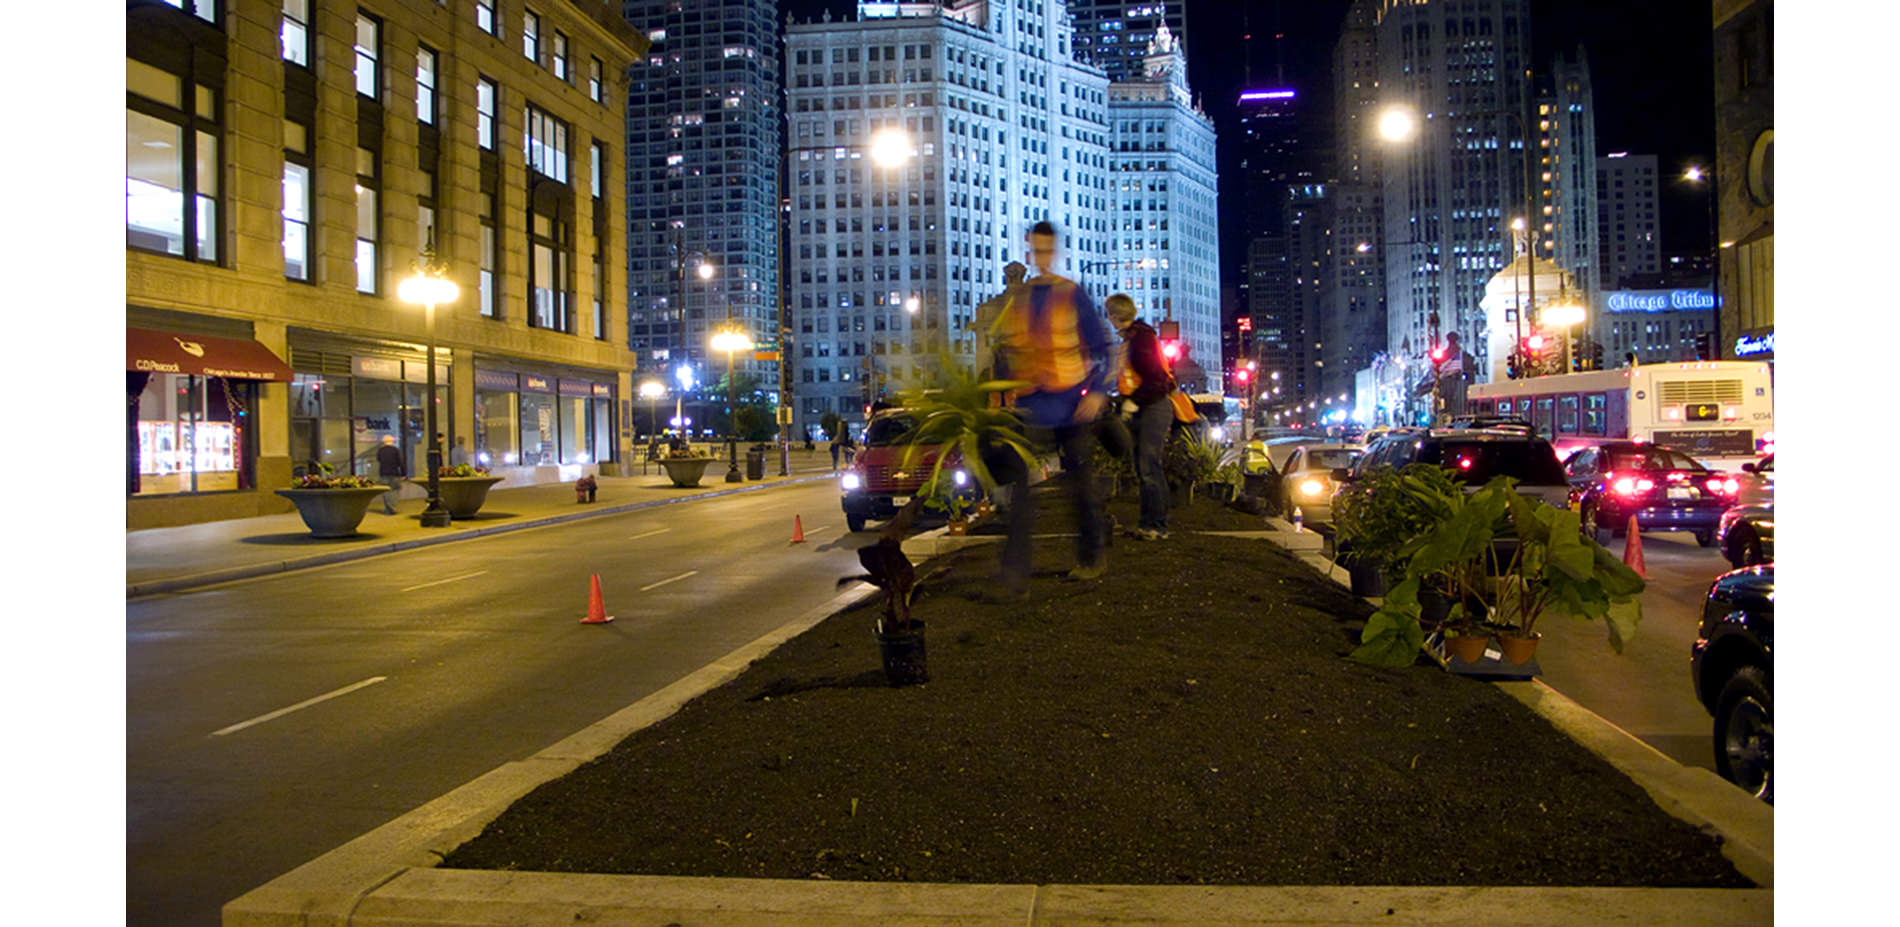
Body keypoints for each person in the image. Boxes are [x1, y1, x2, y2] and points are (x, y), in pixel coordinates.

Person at [991, 220, 1116, 589]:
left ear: (1054, 252)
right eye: (1036, 250)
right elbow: (1006, 353)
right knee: (1018, 490)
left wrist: (1096, 392)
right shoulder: (1020, 299)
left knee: (1080, 485)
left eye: (1047, 250)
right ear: (1029, 253)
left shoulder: (1071, 294)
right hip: (1031, 404)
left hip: (1071, 405)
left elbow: (1102, 348)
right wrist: (1000, 398)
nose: (1041, 257)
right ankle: (1015, 570)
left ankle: (1092, 558)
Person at [1105, 294, 1173, 541]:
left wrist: (1134, 401)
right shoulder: (1136, 336)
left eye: (1109, 315)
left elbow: (1155, 378)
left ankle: (1157, 525)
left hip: (1151, 407)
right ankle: (1148, 524)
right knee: (1145, 468)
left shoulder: (1139, 339)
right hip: (1148, 405)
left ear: (1114, 315)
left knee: (1148, 468)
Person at [374, 434, 405, 515]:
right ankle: (392, 506)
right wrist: (403, 473)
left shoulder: (380, 451)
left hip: (383, 473)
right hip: (394, 473)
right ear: (392, 441)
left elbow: (378, 459)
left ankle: (388, 508)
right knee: (395, 490)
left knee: (385, 491)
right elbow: (400, 462)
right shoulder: (395, 450)